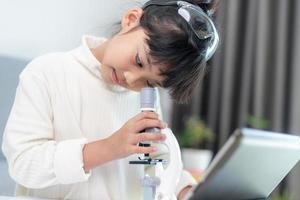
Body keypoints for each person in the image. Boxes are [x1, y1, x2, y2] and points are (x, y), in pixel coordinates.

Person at [1, 0, 219, 199]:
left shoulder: (145, 98)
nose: (132, 79)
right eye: (139, 61)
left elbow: (154, 166)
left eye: (150, 83)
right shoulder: (47, 73)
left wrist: (186, 190)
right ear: (131, 19)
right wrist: (108, 148)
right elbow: (23, 163)